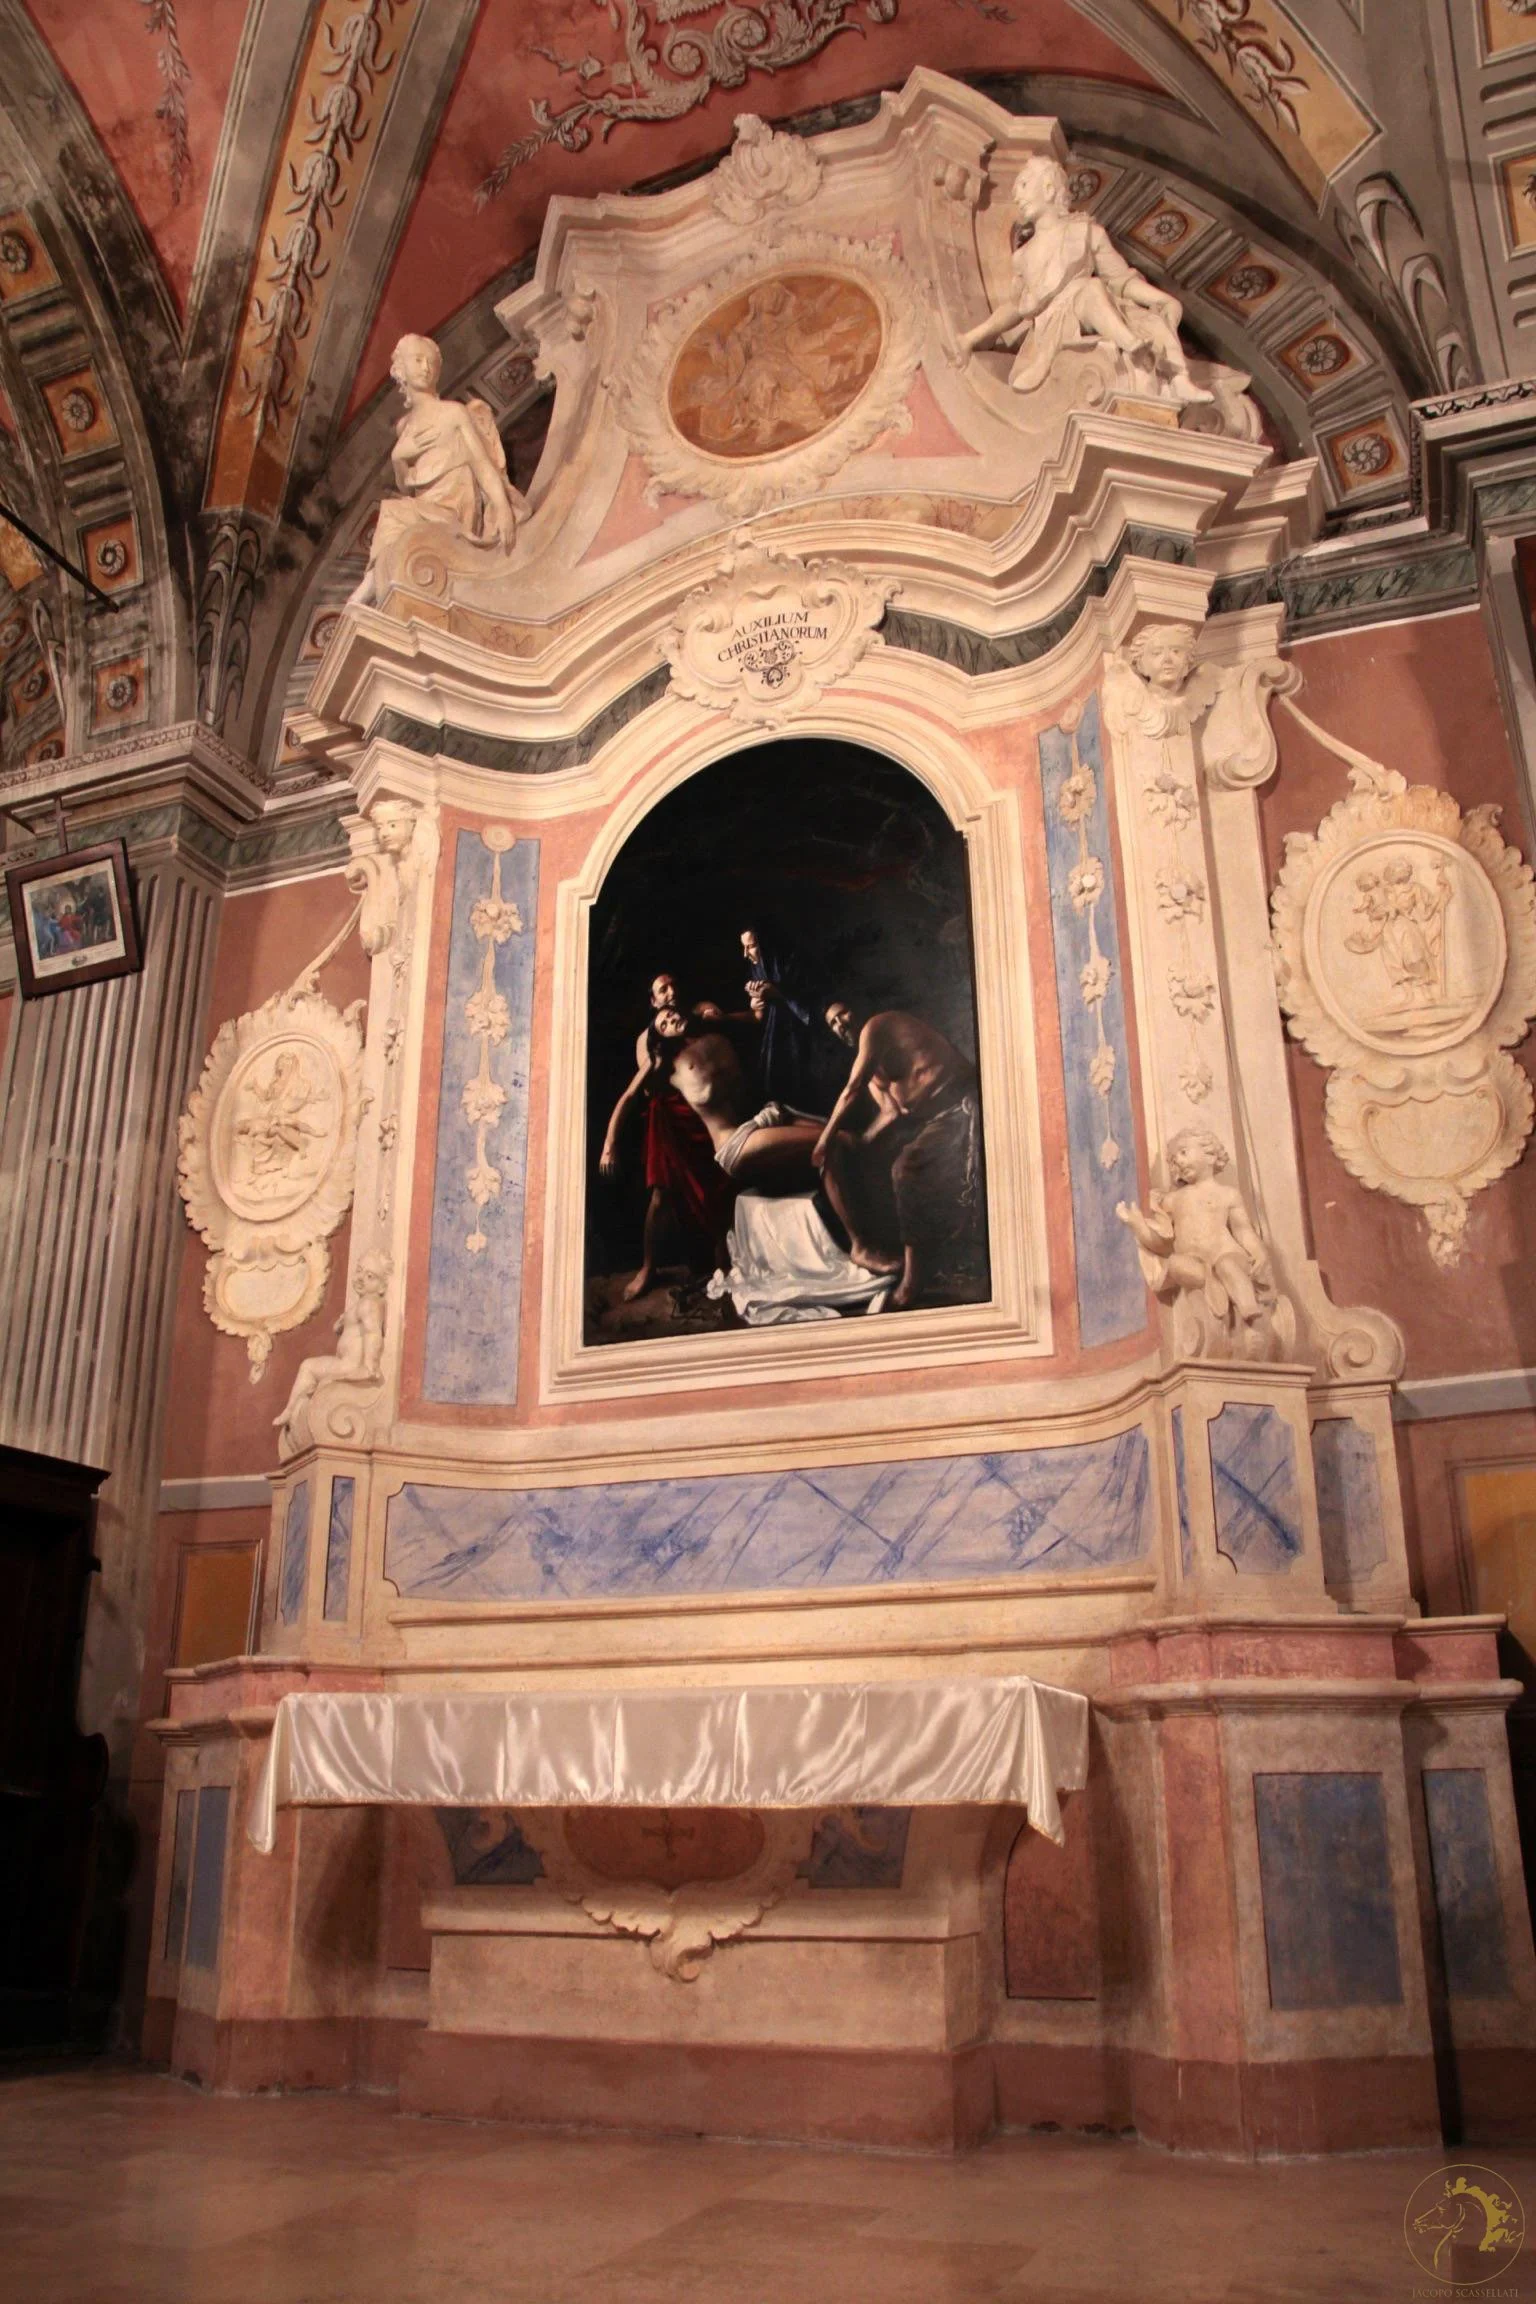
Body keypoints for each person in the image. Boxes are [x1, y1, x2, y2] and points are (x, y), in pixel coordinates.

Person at [959, 154, 1212, 406]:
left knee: (1127, 307)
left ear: (1048, 189)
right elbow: (1015, 308)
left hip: (1093, 307)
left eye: (1023, 185)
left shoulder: (1087, 233)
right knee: (1089, 287)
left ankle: (1178, 379)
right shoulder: (1022, 256)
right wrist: (972, 337)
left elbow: (1121, 280)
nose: (1017, 196)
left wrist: (1163, 298)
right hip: (1053, 327)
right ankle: (1132, 345)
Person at [814, 999, 984, 1312]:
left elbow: (851, 1089)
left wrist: (823, 1139)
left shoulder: (878, 1026)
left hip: (963, 1105)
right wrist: (853, 1144)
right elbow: (891, 1114)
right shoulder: (877, 1079)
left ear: (857, 1007)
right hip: (936, 1122)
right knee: (852, 1154)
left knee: (907, 1169)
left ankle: (911, 1285)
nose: (841, 1025)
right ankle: (863, 1247)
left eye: (842, 1014)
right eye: (833, 1024)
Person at [351, 333, 527, 607]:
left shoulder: (454, 413)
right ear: (400, 371)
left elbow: (482, 464)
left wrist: (502, 506)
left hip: (454, 505)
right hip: (426, 503)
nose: (425, 368)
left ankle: (370, 584)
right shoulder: (404, 427)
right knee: (397, 517)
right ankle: (375, 580)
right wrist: (399, 459)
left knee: (394, 512)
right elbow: (406, 486)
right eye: (418, 360)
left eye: (430, 362)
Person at [598, 976, 731, 1300]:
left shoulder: (694, 1020)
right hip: (669, 1120)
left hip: (703, 1117)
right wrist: (609, 1145)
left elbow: (718, 1026)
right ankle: (648, 1267)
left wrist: (718, 1015)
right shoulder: (652, 1041)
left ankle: (723, 1262)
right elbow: (635, 1094)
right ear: (653, 1002)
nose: (671, 994)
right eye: (663, 990)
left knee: (718, 1188)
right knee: (661, 1195)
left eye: (674, 986)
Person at [651, 1008, 824, 1192]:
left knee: (840, 1134)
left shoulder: (714, 1036)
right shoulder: (671, 1069)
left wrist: (722, 1017)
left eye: (670, 1015)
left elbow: (756, 1017)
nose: (671, 1020)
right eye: (664, 1025)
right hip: (736, 1141)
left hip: (767, 1117)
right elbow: (637, 1090)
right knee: (830, 1140)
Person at [740, 924, 818, 1106]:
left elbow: (809, 1001)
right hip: (775, 1034)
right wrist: (755, 1003)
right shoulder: (755, 967)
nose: (745, 954)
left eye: (750, 946)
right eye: (743, 947)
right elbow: (759, 1014)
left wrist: (777, 992)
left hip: (801, 1033)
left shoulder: (790, 961)